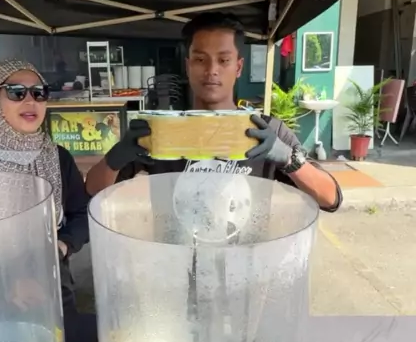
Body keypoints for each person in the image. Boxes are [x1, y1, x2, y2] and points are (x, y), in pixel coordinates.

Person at [85, 12, 342, 212]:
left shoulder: (266, 131)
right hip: (175, 259)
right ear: (188, 66)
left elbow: (331, 198)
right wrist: (117, 156)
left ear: (238, 67)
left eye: (223, 60)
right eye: (200, 59)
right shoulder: (161, 131)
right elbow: (92, 190)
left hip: (246, 261)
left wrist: (287, 157)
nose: (211, 70)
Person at [0, 59, 90, 304]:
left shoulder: (57, 157)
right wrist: (9, 279)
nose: (30, 101)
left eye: (39, 92)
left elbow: (82, 213)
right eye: (16, 92)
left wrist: (60, 247)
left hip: (50, 283)